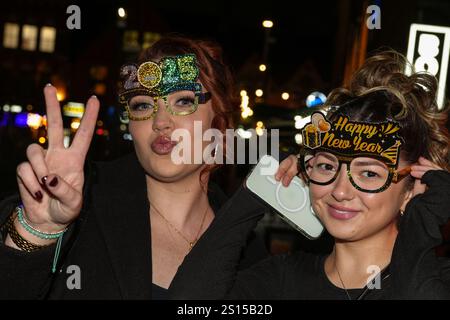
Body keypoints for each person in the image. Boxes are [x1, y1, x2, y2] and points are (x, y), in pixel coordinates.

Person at [0, 36, 283, 299]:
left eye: (183, 100)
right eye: (142, 105)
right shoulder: (80, 204)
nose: (160, 121)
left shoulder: (248, 250)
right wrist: (38, 232)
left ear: (219, 118)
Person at [169, 50, 450, 299]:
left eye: (368, 173)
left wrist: (421, 227)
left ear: (412, 189)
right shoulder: (280, 280)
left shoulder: (436, 281)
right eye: (327, 167)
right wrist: (257, 190)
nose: (340, 191)